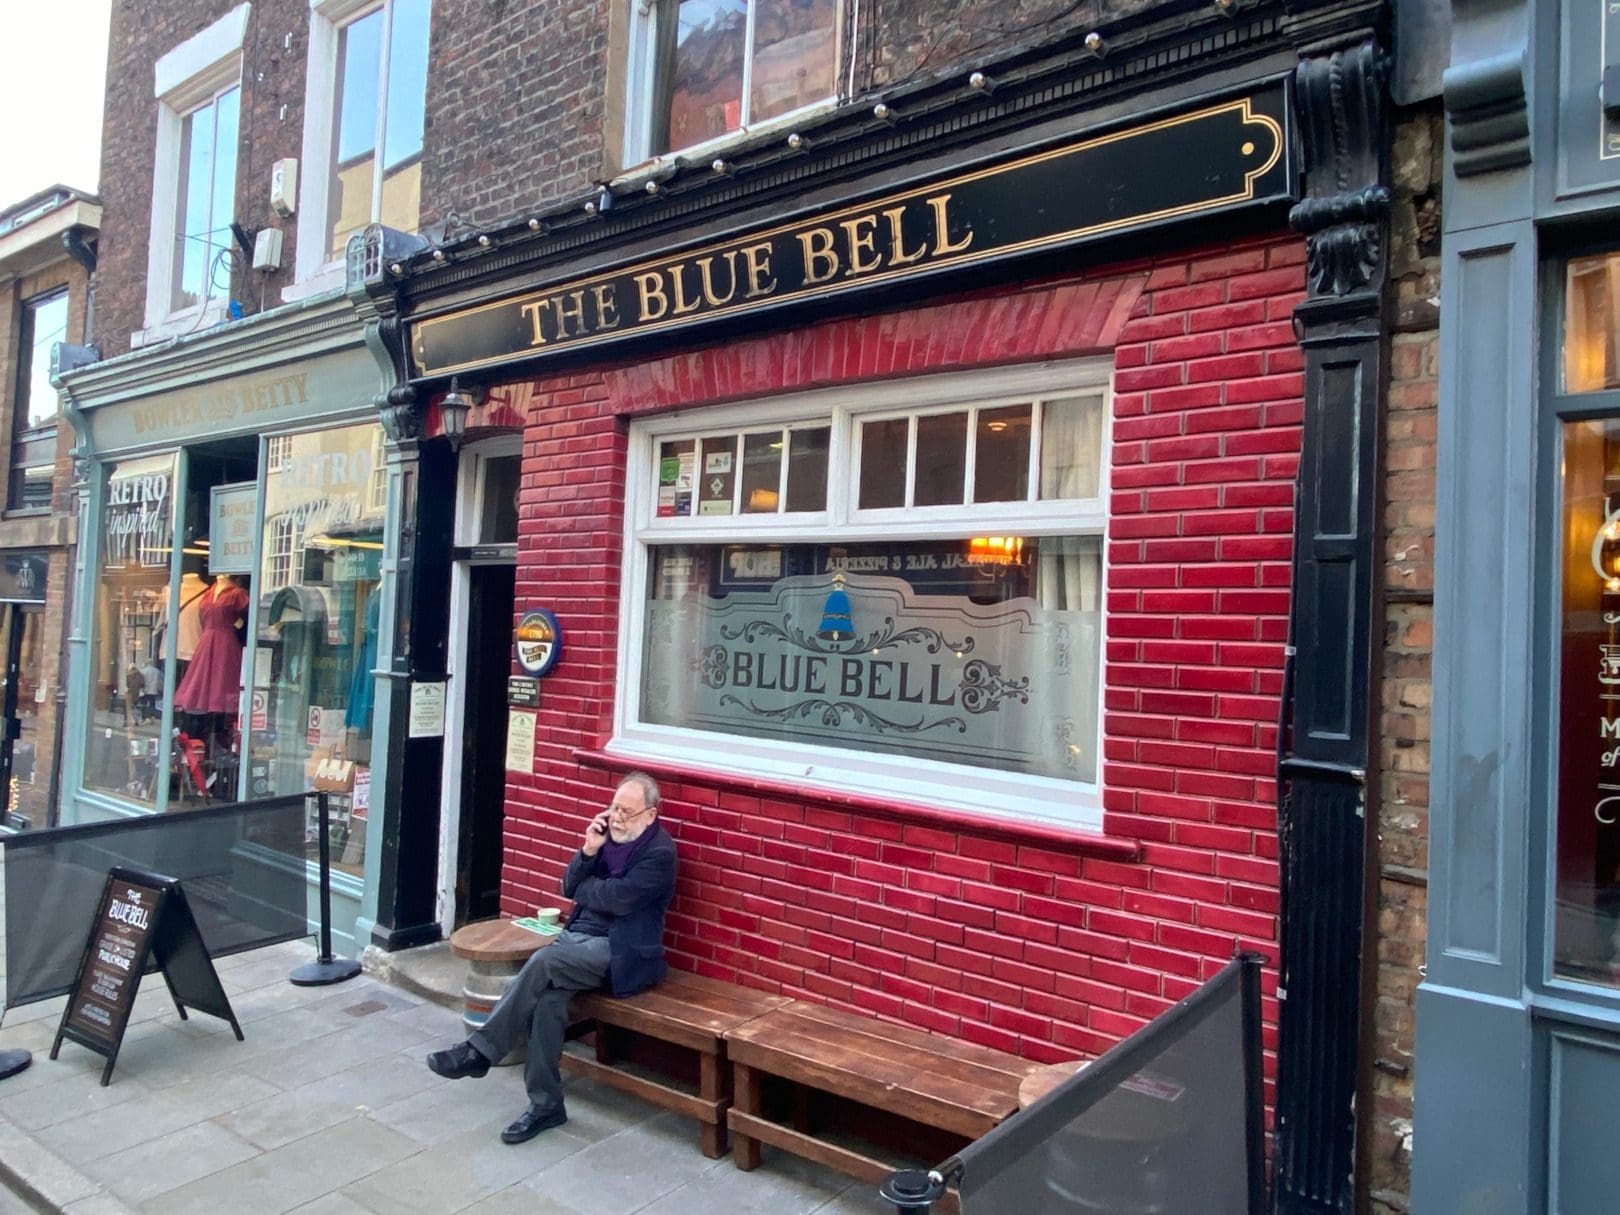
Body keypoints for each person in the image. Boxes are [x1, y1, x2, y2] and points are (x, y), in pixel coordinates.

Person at [426, 772, 677, 1143]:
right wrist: (589, 850)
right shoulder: (605, 837)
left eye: (627, 810)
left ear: (650, 815)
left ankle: (480, 1051)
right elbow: (568, 886)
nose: (618, 817)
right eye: (614, 807)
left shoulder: (659, 853)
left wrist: (588, 889)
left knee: (545, 961)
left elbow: (618, 899)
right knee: (547, 1001)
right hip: (577, 943)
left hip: (622, 954)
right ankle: (546, 1106)